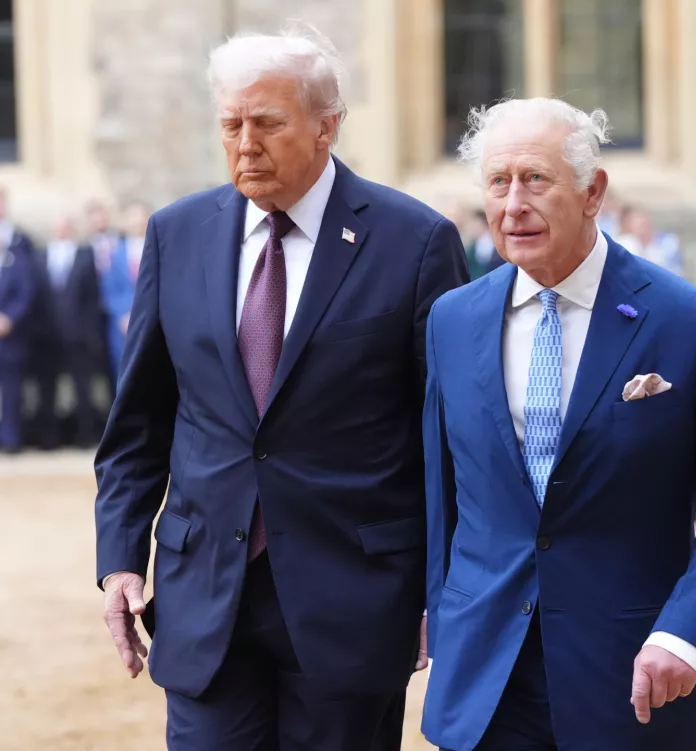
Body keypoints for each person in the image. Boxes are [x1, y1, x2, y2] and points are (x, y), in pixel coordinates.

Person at [94, 24, 469, 751]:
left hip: (353, 601)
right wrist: (118, 559)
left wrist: (440, 587)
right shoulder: (178, 235)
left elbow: (450, 438)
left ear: (328, 126)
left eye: (266, 123)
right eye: (230, 124)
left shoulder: (415, 242)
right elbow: (139, 420)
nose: (244, 143)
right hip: (204, 596)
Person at [420, 97, 696, 751]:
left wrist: (687, 634)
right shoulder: (452, 319)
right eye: (498, 182)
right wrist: (444, 623)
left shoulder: (688, 321)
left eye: (535, 179)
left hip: (636, 679)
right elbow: (443, 489)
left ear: (593, 192)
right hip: (486, 685)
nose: (513, 203)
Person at [33, 214, 106, 448]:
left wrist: (90, 331)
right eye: (57, 226)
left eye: (65, 226)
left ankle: (86, 436)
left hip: (78, 335)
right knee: (46, 388)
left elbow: (93, 298)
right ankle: (48, 438)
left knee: (82, 387)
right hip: (48, 335)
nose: (61, 230)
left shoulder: (85, 255)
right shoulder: (41, 255)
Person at [0, 198, 36, 454]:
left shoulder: (19, 242)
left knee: (12, 390)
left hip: (9, 332)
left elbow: (27, 288)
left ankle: (11, 440)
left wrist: (9, 318)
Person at [101, 199, 150, 387]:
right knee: (123, 379)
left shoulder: (159, 249)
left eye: (141, 218)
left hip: (151, 324)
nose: (136, 223)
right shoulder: (115, 253)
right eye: (132, 218)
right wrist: (123, 314)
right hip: (122, 328)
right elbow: (110, 289)